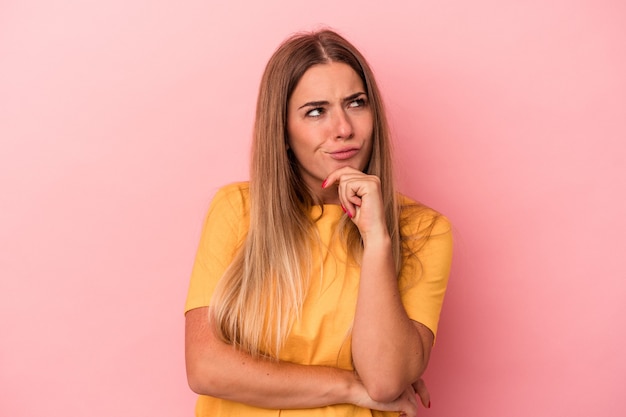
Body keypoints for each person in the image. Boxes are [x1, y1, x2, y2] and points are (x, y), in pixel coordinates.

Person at [184, 28, 453, 417]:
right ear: (283, 132)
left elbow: (384, 380)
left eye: (356, 103)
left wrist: (376, 238)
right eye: (316, 111)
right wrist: (348, 386)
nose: (343, 128)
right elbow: (206, 367)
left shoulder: (424, 231)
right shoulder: (236, 210)